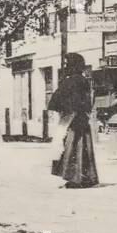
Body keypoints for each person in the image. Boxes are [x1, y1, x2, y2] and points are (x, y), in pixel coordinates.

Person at [48, 53, 99, 188]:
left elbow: (60, 99)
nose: (65, 66)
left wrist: (66, 110)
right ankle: (86, 177)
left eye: (67, 64)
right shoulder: (81, 80)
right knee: (81, 149)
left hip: (73, 119)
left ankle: (75, 178)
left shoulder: (72, 81)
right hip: (79, 118)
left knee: (73, 148)